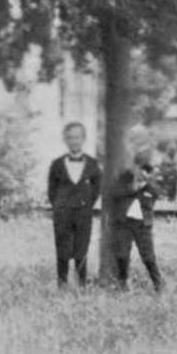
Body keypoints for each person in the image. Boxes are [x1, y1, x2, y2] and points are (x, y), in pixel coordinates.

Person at [45, 121, 102, 287]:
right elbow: (52, 190)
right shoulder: (57, 164)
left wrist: (87, 204)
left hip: (83, 212)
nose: (74, 141)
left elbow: (97, 187)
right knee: (62, 249)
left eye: (77, 137)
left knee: (81, 249)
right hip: (62, 213)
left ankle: (81, 285)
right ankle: (62, 284)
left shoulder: (92, 163)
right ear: (65, 140)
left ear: (83, 139)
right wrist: (59, 206)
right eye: (70, 138)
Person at [105, 149, 164, 290]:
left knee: (148, 256)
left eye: (153, 169)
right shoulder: (125, 178)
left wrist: (146, 183)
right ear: (138, 165)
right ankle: (123, 283)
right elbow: (114, 194)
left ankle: (159, 285)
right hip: (124, 223)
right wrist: (134, 186)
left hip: (142, 224)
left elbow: (153, 197)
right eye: (147, 167)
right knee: (122, 255)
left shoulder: (152, 184)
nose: (150, 171)